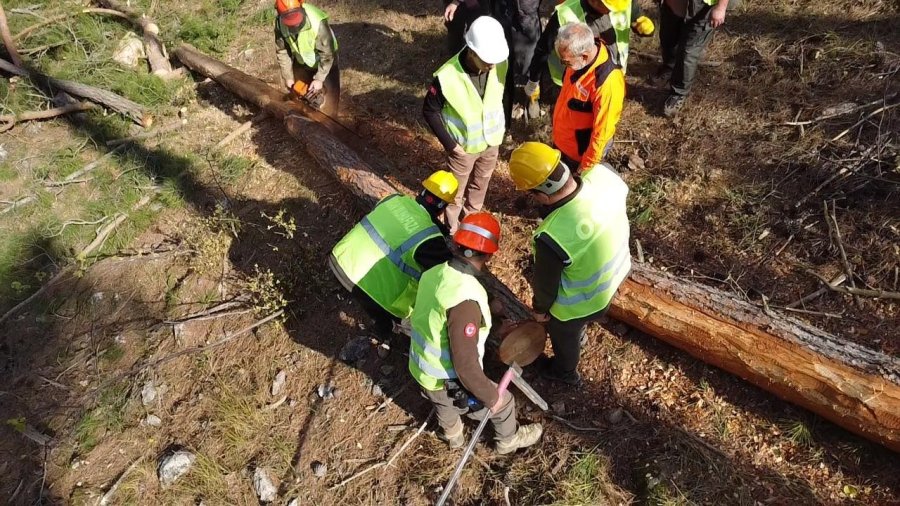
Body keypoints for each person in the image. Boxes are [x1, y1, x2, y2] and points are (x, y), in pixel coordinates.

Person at [408, 212, 543, 453]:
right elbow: (465, 366)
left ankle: (453, 437)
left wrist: (488, 310)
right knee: (505, 403)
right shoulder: (465, 299)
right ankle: (508, 441)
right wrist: (492, 398)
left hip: (421, 368)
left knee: (443, 407)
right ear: (490, 253)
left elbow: (441, 313)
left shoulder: (435, 273)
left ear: (457, 244)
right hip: (448, 377)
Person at [508, 142, 631, 386]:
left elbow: (546, 285)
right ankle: (581, 331)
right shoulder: (603, 174)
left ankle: (565, 373)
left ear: (542, 195)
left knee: (563, 332)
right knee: (581, 320)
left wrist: (541, 312)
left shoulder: (552, 236)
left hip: (583, 303)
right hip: (619, 273)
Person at [328, 171, 459, 341]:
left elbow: (402, 224)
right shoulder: (429, 238)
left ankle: (382, 326)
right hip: (368, 288)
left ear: (423, 190)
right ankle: (388, 329)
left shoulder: (393, 199)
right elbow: (449, 273)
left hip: (340, 260)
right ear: (443, 207)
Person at [423, 16, 511, 233]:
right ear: (472, 51)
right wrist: (452, 147)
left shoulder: (499, 63)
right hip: (463, 149)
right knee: (456, 192)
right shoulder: (447, 77)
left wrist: (504, 127)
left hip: (491, 142)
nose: (492, 65)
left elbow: (504, 94)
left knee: (481, 182)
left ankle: (472, 217)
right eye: (486, 60)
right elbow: (429, 111)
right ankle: (452, 228)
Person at [524, 0, 654, 94]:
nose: (613, 11)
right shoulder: (566, 14)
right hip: (576, 82)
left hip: (613, 73)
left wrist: (642, 24)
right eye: (609, 8)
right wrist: (533, 81)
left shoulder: (622, 2)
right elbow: (543, 49)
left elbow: (634, 17)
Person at [551, 22, 625, 172]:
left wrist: (585, 168)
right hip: (561, 142)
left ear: (584, 56)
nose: (563, 65)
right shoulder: (578, 60)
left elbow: (601, 134)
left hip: (577, 155)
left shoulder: (607, 83)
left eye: (565, 61)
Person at [657, 0, 732, 117]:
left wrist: (720, 8)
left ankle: (679, 93)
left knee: (688, 51)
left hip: (703, 8)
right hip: (674, 5)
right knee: (668, 38)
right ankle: (669, 67)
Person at [274, 0, 341, 116]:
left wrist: (319, 79)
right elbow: (282, 51)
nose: (294, 24)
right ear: (280, 14)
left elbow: (327, 54)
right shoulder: (280, 24)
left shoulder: (316, 22)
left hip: (326, 63)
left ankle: (330, 126)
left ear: (301, 6)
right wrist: (288, 77)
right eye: (289, 20)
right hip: (301, 62)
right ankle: (307, 123)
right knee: (301, 98)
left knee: (329, 105)